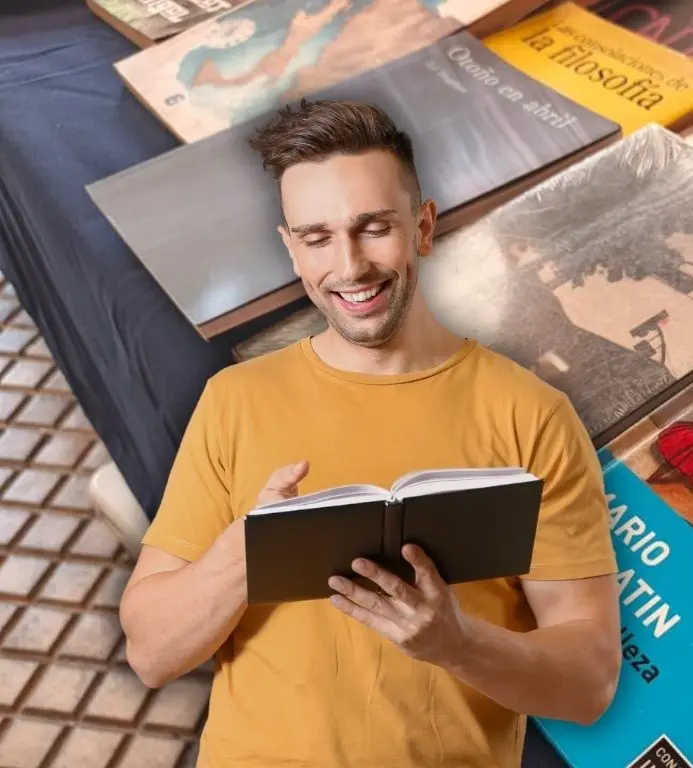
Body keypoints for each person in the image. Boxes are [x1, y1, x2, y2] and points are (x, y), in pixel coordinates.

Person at [118, 99, 622, 768]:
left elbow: (589, 684)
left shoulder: (532, 415)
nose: (350, 266)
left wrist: (455, 643)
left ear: (423, 226)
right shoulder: (234, 400)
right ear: (292, 250)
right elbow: (152, 654)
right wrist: (244, 553)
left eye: (373, 227)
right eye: (318, 237)